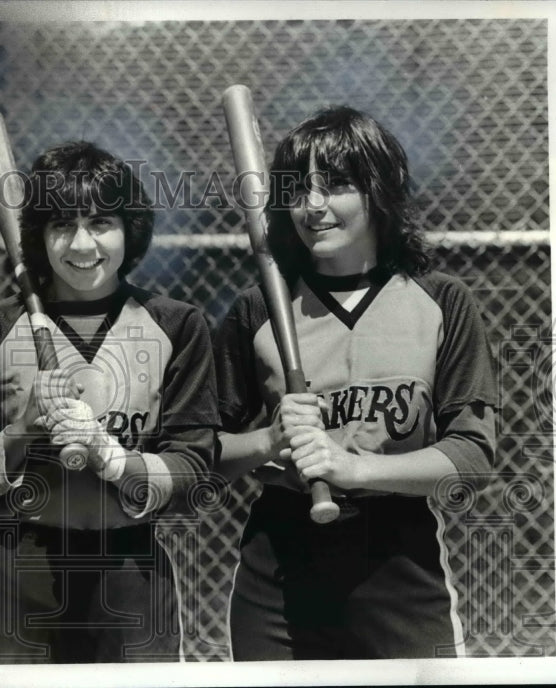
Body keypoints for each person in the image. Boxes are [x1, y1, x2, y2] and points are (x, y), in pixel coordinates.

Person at [213, 106, 497, 660]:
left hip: (398, 557)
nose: (313, 205)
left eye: (337, 185)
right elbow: (202, 453)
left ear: (379, 192)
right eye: (298, 189)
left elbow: (472, 455)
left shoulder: (439, 300)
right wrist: (269, 441)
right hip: (279, 567)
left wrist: (354, 468)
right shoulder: (256, 310)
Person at [0, 141, 219, 663]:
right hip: (17, 565)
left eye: (100, 222)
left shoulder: (176, 325)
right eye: (61, 225)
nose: (82, 243)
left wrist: (111, 456)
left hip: (130, 566)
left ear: (129, 229)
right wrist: (23, 429)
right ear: (39, 237)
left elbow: (194, 472)